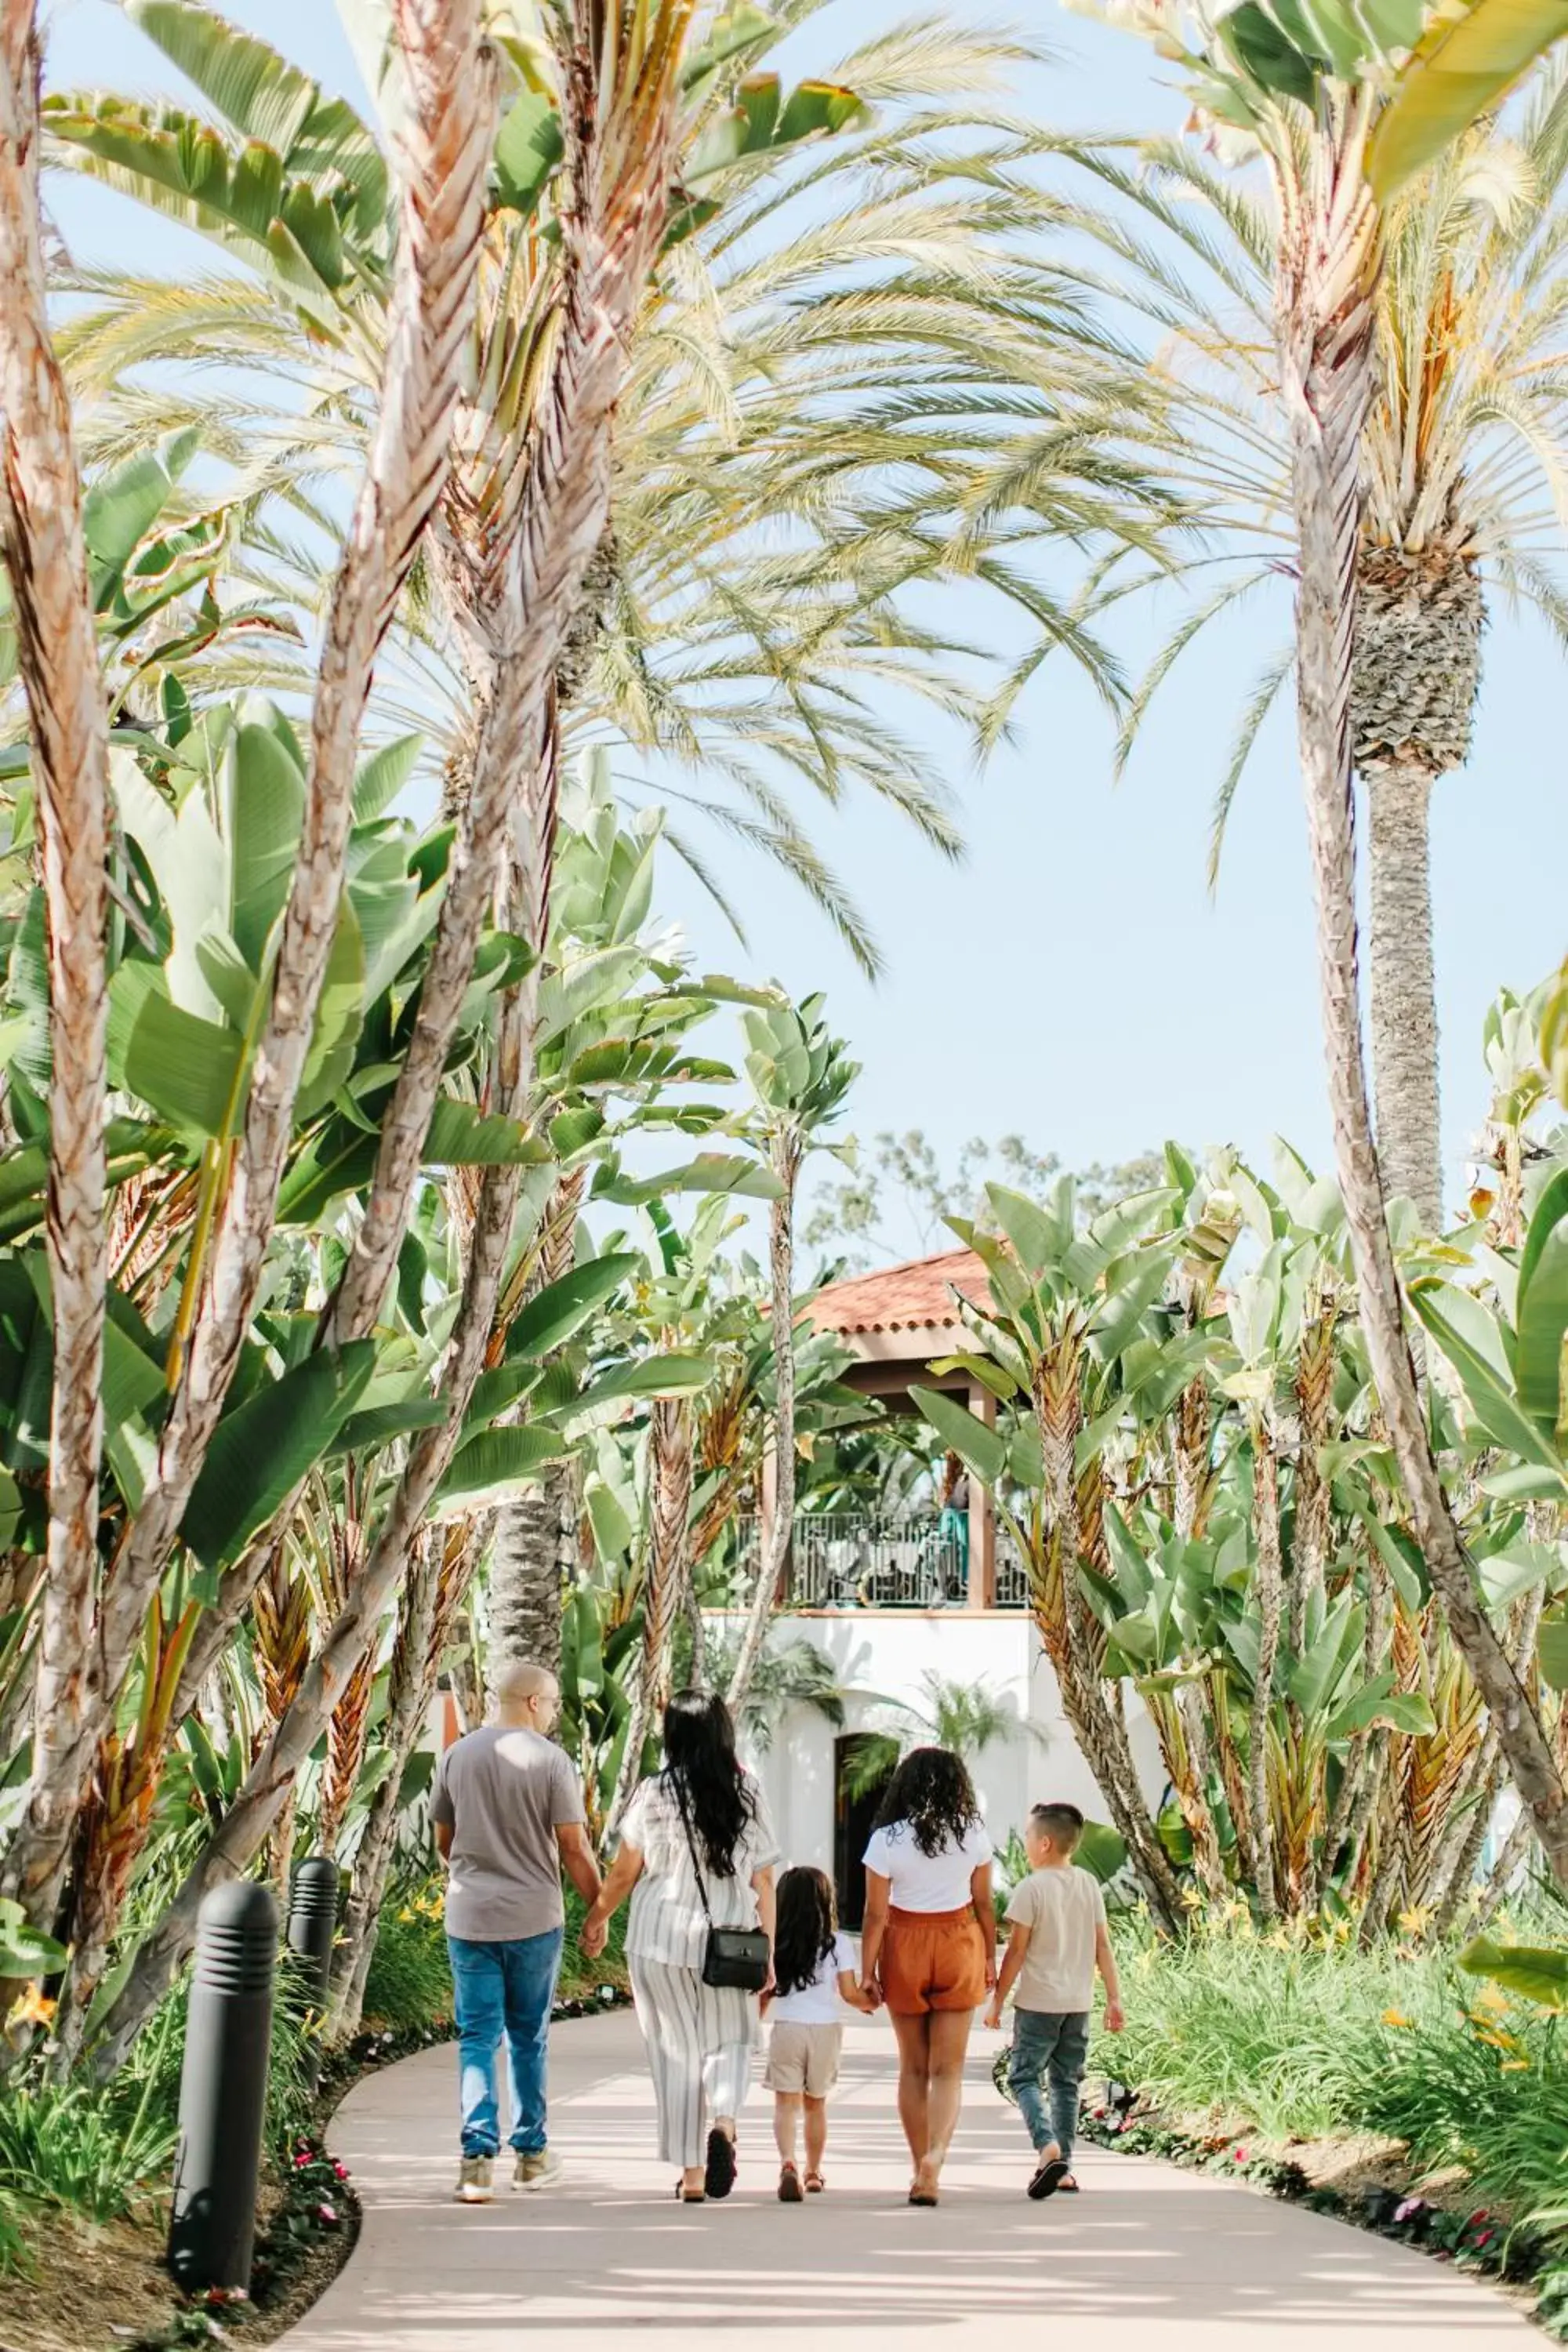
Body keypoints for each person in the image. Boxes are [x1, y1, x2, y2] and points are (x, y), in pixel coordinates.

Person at [581, 1691, 778, 2203]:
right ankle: (726, 2124)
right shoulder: (748, 1792)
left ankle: (692, 2177)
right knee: (730, 2040)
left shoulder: (653, 1792)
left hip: (659, 1938)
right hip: (729, 1939)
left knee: (675, 2054)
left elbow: (625, 1872)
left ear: (672, 1734)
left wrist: (596, 1918)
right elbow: (764, 1880)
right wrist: (770, 1950)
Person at [430, 1661, 603, 2204]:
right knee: (529, 2037)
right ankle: (531, 2157)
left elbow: (444, 1840)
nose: (553, 1712)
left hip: (471, 1918)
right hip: (533, 1919)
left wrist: (476, 1871)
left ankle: (476, 2163)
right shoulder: (552, 1762)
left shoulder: (457, 1755)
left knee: (477, 2038)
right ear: (532, 1702)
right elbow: (573, 1848)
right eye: (552, 1703)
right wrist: (598, 1911)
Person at [858, 1746, 994, 2207]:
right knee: (948, 2070)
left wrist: (867, 1971)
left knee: (914, 2068)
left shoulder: (886, 1840)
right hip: (958, 1940)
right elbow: (984, 1904)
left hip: (904, 1943)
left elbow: (875, 1914)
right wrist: (991, 1957)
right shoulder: (974, 1833)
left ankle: (920, 2169)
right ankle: (937, 2157)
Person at [983, 1801, 1125, 2199]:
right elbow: (1103, 1946)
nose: (1025, 1841)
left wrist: (997, 2003)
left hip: (1037, 2005)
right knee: (1066, 2083)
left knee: (1024, 2077)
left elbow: (1014, 1953)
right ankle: (1064, 2170)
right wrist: (1114, 1998)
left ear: (1044, 1843)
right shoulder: (1088, 1885)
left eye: (1028, 1835)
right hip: (1078, 2003)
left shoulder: (1031, 1889)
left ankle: (1047, 2146)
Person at [762, 1866, 877, 2201]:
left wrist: (750, 2024)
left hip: (788, 2028)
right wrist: (871, 2002)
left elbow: (765, 1993)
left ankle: (788, 2164)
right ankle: (813, 2172)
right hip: (825, 2030)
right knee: (816, 2105)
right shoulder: (838, 1943)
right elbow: (849, 1993)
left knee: (785, 2104)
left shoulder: (775, 1942)